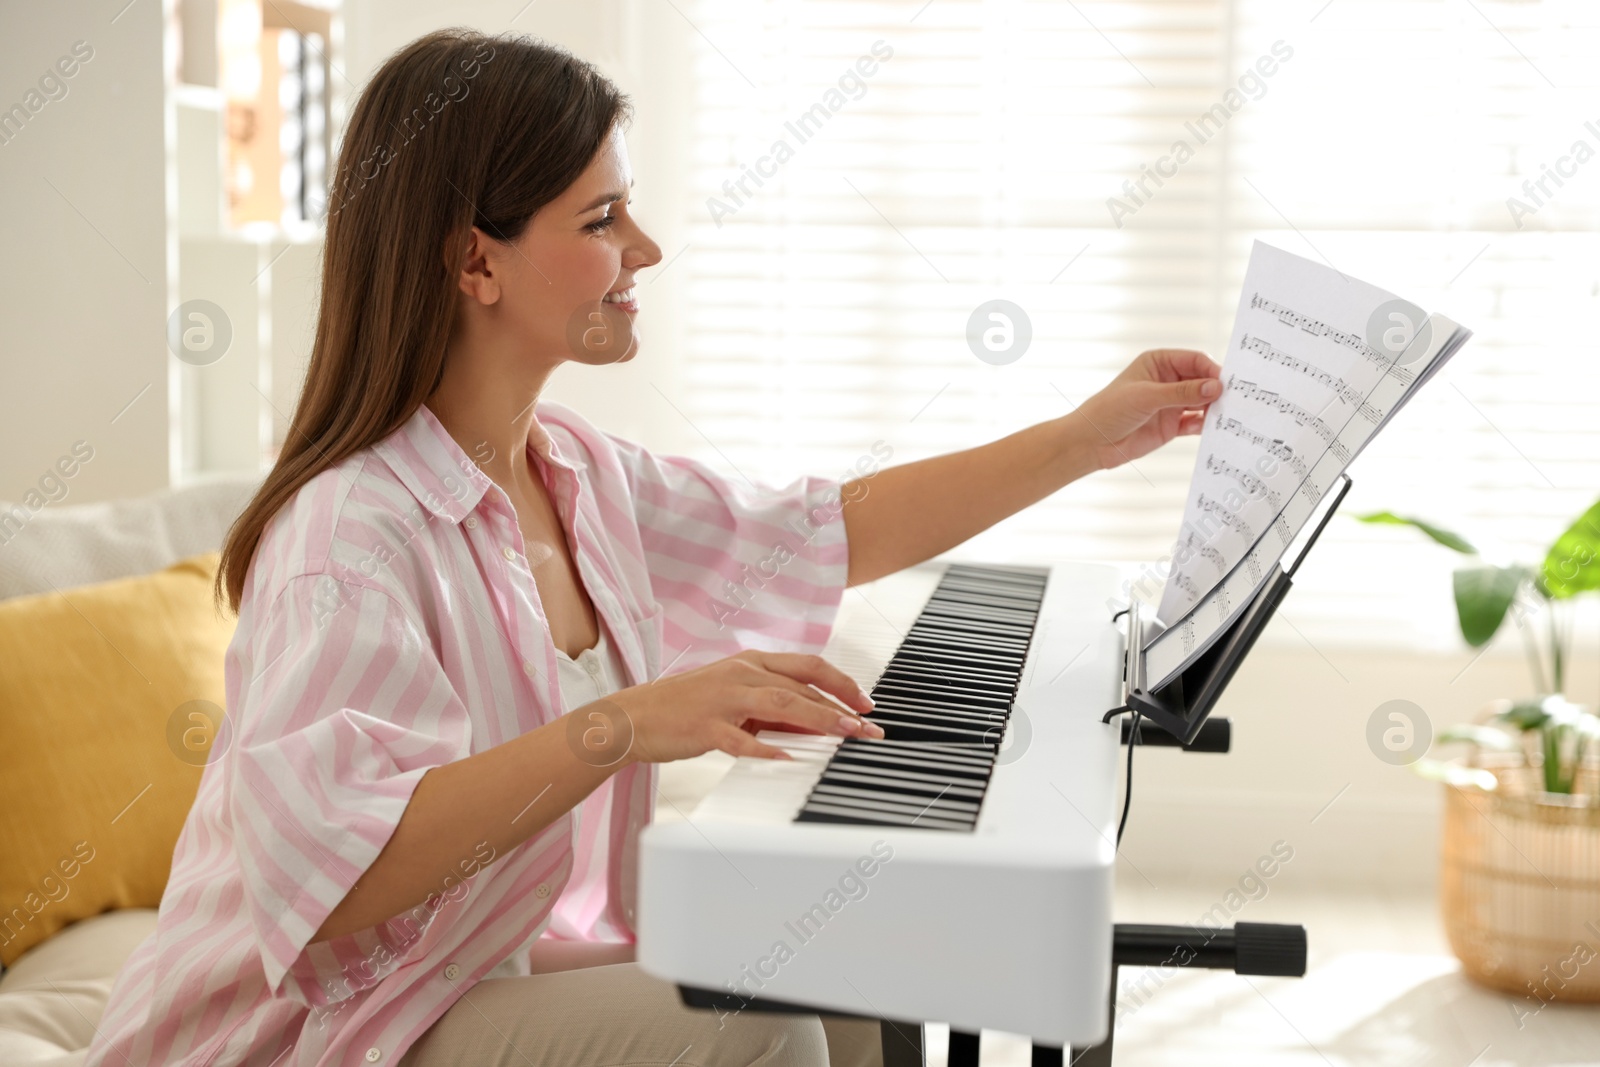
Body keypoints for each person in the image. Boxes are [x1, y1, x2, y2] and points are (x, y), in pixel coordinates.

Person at [84, 28, 1220, 1067]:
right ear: (475, 263)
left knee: (847, 969)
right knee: (758, 1028)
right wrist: (622, 725)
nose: (648, 248)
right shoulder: (352, 534)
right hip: (312, 1034)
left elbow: (832, 528)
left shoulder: (576, 472)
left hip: (465, 977)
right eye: (600, 222)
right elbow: (333, 877)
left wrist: (1083, 436)